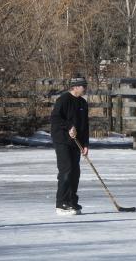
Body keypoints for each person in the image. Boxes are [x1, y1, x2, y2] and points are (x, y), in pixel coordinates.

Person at [50, 76, 90, 216]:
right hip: (62, 140)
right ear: (75, 87)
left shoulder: (83, 103)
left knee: (75, 172)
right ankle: (61, 203)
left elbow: (85, 125)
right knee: (66, 170)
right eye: (83, 86)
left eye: (85, 85)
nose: (85, 88)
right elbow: (55, 118)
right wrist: (69, 126)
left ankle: (72, 200)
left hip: (76, 142)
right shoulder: (63, 100)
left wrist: (85, 144)